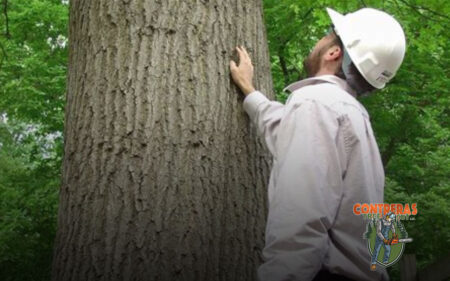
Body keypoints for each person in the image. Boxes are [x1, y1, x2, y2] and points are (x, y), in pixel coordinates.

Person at [229, 7, 406, 281]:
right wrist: (250, 93)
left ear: (333, 52)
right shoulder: (350, 114)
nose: (321, 39)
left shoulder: (314, 103)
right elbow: (288, 134)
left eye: (327, 34)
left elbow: (300, 217)